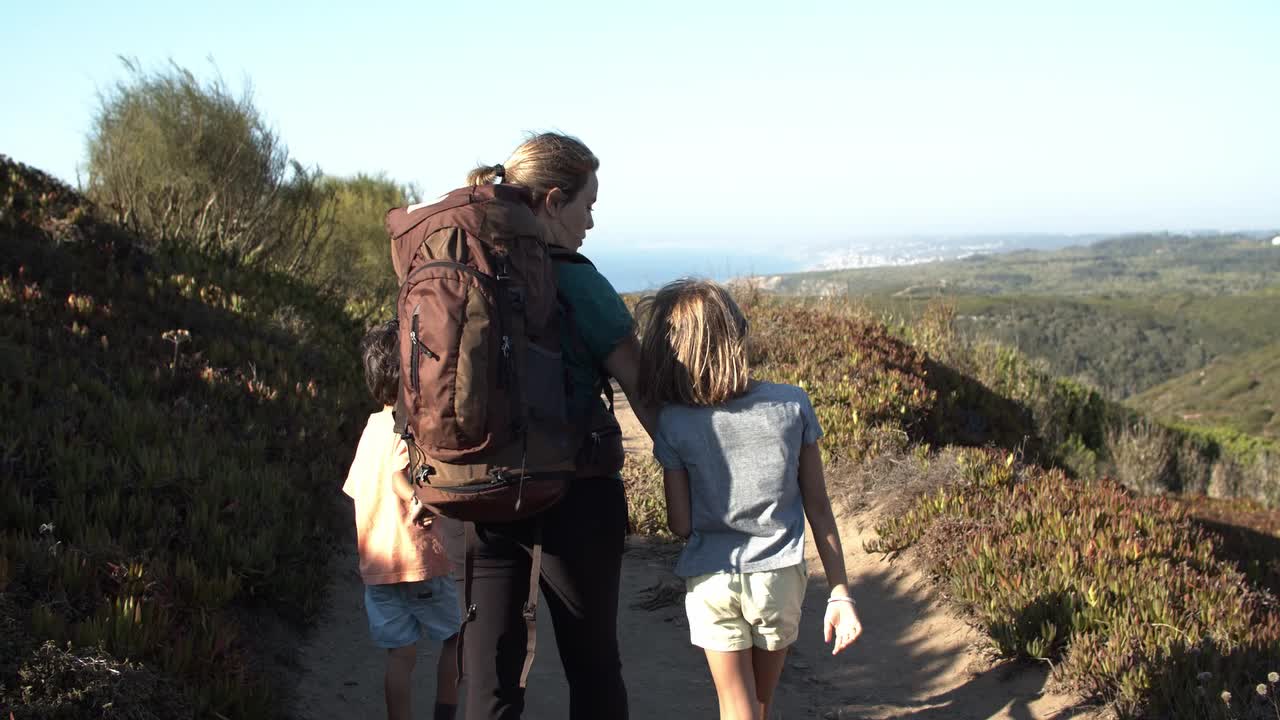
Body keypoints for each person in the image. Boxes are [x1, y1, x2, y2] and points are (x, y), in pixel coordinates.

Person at [446, 132, 651, 720]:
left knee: (488, 681)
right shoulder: (582, 282)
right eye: (587, 205)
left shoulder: (468, 269)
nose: (590, 222)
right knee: (593, 667)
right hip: (578, 492)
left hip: (482, 487)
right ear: (554, 201)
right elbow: (644, 392)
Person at [636, 279, 863, 720]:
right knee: (760, 702)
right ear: (737, 334)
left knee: (735, 705)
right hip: (779, 575)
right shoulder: (791, 405)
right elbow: (818, 506)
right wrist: (839, 592)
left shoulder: (674, 423)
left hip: (711, 578)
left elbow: (680, 524)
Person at [343, 319, 461, 720]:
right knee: (455, 637)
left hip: (377, 567)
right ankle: (445, 713)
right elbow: (398, 475)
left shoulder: (370, 429)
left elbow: (358, 488)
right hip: (418, 562)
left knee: (401, 653)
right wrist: (418, 500)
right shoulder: (404, 428)